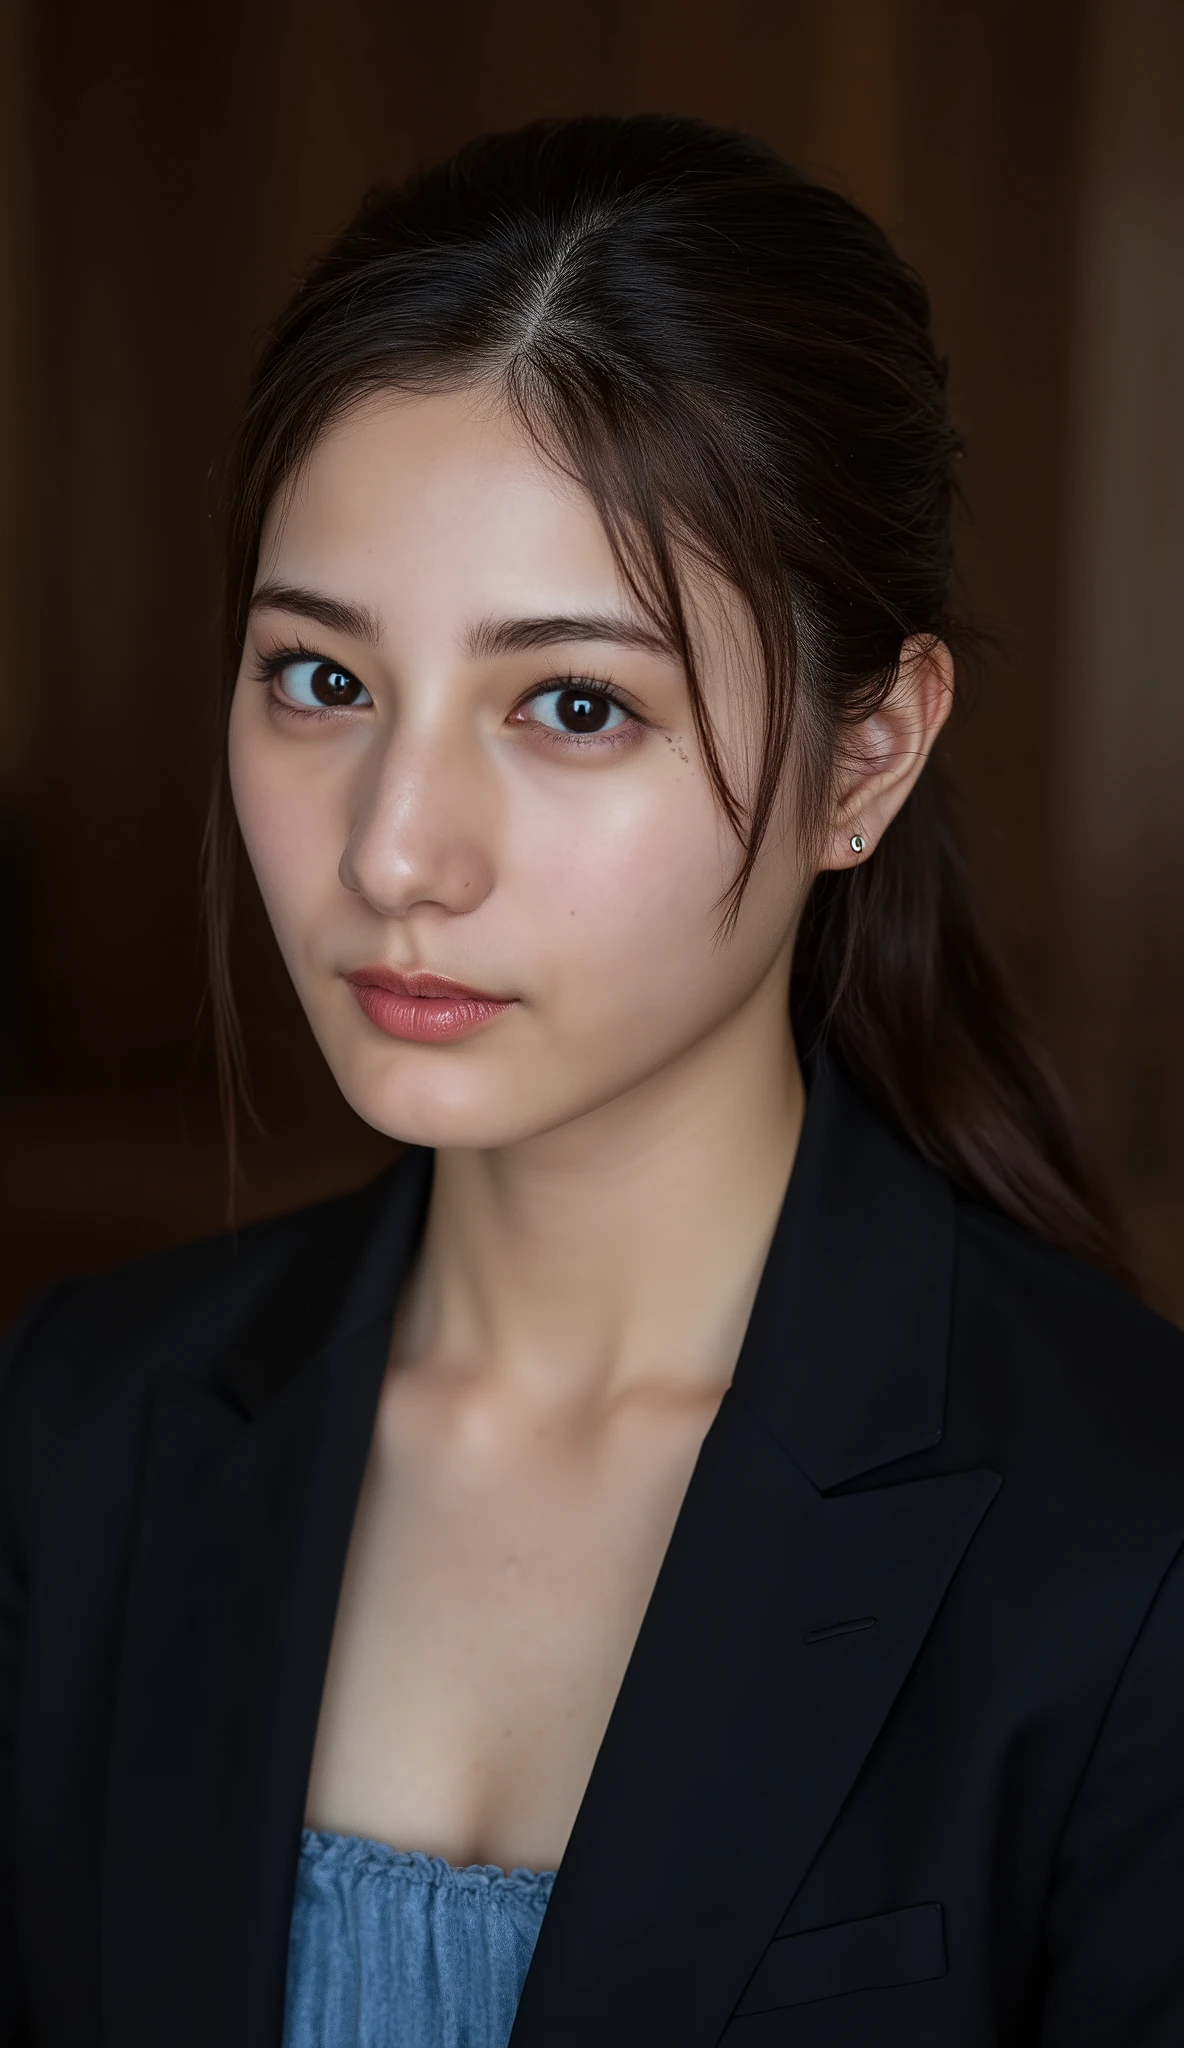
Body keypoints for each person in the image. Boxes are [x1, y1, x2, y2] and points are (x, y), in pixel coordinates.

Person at [2, 113, 1183, 2048]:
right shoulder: (85, 1428)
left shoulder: (1128, 1547)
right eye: (322, 678)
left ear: (867, 757)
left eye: (573, 705)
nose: (397, 849)